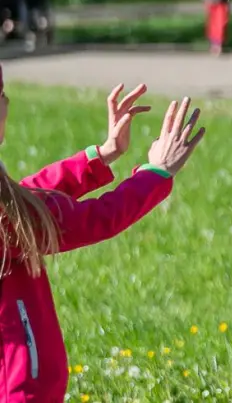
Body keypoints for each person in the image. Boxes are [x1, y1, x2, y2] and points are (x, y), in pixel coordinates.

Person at [0, 74, 206, 400]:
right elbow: (94, 219)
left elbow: (27, 198)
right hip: (17, 388)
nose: (7, 103)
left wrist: (102, 155)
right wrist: (157, 172)